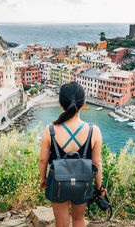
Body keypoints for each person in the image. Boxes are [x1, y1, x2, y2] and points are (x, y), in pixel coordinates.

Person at [39, 82, 106, 227]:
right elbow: (96, 163)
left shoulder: (50, 129)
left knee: (61, 223)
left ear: (61, 104)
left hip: (57, 181)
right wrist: (99, 188)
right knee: (78, 219)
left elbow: (43, 160)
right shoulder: (94, 131)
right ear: (84, 103)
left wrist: (43, 179)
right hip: (83, 182)